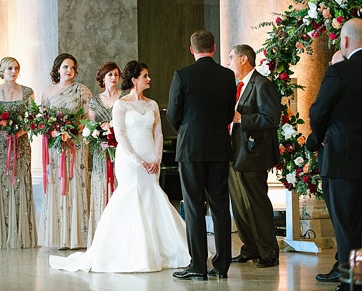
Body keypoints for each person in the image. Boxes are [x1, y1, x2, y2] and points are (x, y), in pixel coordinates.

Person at [49, 60, 190, 272]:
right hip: (130, 160)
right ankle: (131, 252)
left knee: (153, 194)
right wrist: (139, 161)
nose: (149, 79)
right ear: (134, 80)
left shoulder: (151, 105)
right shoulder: (121, 105)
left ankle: (164, 249)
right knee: (130, 195)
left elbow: (158, 133)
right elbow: (121, 136)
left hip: (151, 157)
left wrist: (156, 159)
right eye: (145, 76)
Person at [309, 18, 362, 291]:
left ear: (344, 42)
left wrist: (319, 139)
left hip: (344, 166)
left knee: (348, 231)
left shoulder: (340, 72)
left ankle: (352, 286)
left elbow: (318, 113)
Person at [167, 30, 236, 280]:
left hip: (191, 148)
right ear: (214, 48)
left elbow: (173, 113)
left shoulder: (183, 75)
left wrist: (186, 132)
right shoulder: (228, 75)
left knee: (195, 206)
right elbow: (229, 113)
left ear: (191, 49)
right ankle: (222, 265)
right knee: (219, 206)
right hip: (219, 147)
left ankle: (198, 265)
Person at [227, 44, 281, 268]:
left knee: (257, 204)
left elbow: (271, 119)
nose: (228, 62)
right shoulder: (237, 86)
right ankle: (249, 247)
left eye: (231, 57)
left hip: (253, 154)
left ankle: (268, 251)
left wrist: (242, 119)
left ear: (243, 59)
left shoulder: (262, 84)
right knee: (239, 205)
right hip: (234, 153)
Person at [39, 53, 92, 249]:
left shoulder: (82, 90)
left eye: (72, 67)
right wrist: (54, 130)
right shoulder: (48, 91)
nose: (69, 70)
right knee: (57, 184)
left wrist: (72, 130)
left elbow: (88, 118)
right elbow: (42, 119)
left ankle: (77, 236)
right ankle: (59, 236)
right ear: (57, 69)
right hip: (55, 147)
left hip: (76, 144)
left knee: (75, 183)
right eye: (65, 67)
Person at [0, 57, 37, 249]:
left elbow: (34, 118)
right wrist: (4, 132)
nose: (13, 71)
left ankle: (22, 234)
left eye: (16, 68)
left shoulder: (28, 92)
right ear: (1, 70)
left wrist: (18, 132)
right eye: (9, 68)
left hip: (21, 143)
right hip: (0, 146)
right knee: (3, 182)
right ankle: (3, 234)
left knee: (20, 181)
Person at [307, 50, 344, 283]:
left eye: (333, 63)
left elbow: (319, 114)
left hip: (338, 158)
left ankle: (345, 265)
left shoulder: (337, 78)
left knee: (342, 219)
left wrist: (314, 140)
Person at [86, 61, 123, 247]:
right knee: (102, 188)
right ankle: (101, 236)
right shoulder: (94, 100)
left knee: (119, 187)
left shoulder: (124, 98)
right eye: (110, 75)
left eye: (116, 74)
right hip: (101, 152)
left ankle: (120, 234)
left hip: (120, 151)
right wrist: (97, 137)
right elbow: (91, 126)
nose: (114, 78)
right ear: (103, 78)